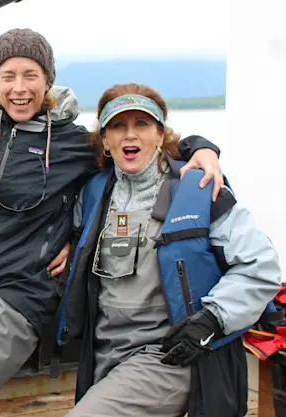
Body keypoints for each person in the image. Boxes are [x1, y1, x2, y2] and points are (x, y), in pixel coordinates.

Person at [0, 28, 226, 417]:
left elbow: (146, 148)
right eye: (8, 76)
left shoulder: (73, 144)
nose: (19, 88)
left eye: (31, 75)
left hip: (20, 294)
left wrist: (205, 150)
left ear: (48, 80)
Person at [57, 84, 281, 417]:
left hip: (171, 354)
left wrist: (212, 320)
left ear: (161, 134)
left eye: (143, 124)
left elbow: (260, 267)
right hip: (104, 354)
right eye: (118, 126)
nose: (130, 135)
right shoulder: (92, 193)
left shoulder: (203, 189)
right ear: (104, 140)